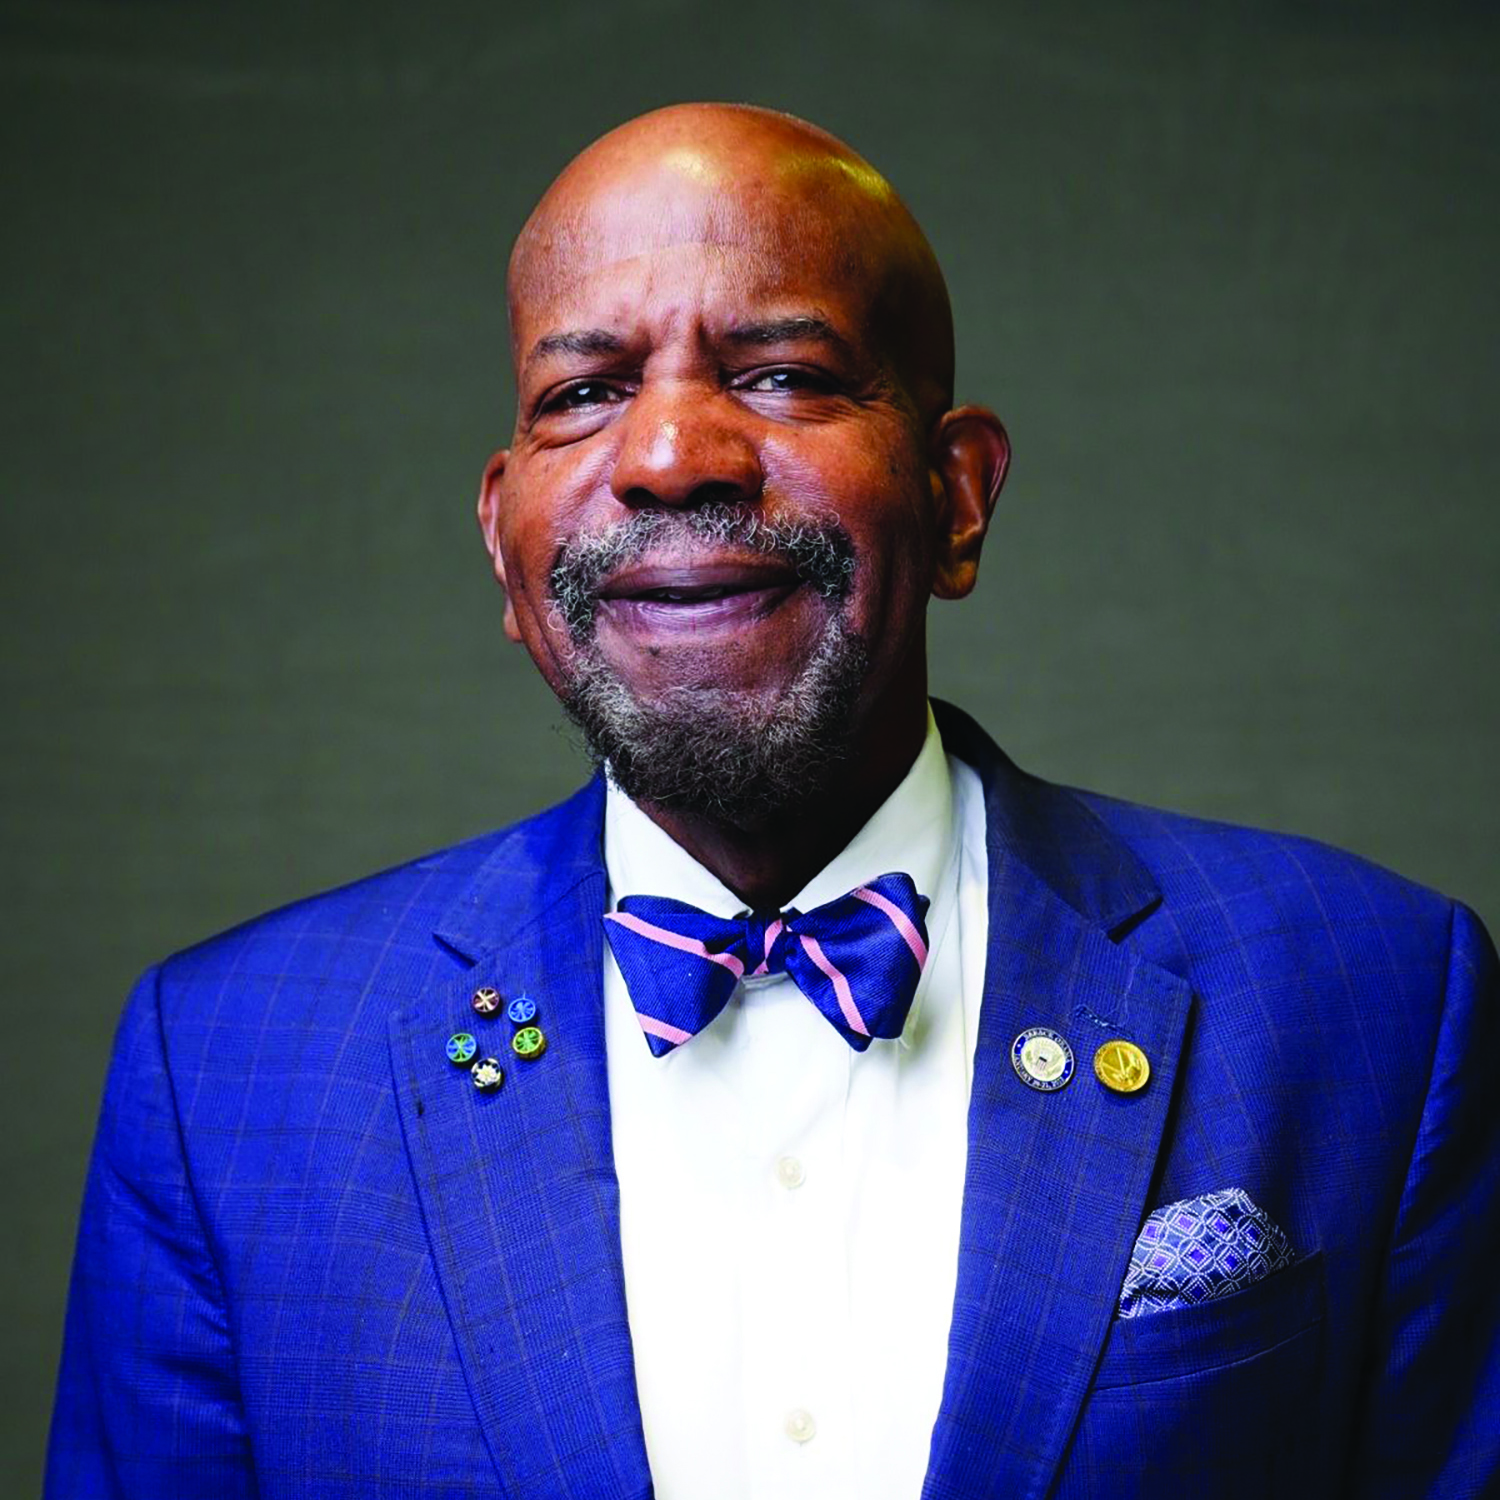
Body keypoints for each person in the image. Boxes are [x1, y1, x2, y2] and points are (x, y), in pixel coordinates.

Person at [46, 103, 1498, 1500]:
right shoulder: (222, 1074)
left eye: (784, 373)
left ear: (956, 498)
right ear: (502, 541)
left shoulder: (1371, 998)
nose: (672, 456)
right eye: (586, 392)